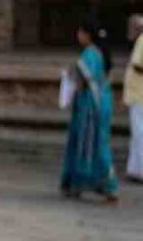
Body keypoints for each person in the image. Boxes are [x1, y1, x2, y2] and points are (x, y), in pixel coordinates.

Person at [60, 22, 119, 203]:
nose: (78, 35)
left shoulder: (90, 54)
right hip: (99, 103)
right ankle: (76, 183)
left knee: (93, 144)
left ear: (87, 35)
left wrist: (69, 76)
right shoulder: (101, 54)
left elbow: (84, 79)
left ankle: (108, 186)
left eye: (80, 32)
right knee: (88, 143)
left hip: (91, 106)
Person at [125, 15, 143, 184]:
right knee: (136, 133)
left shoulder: (141, 41)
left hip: (139, 93)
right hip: (138, 94)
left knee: (139, 133)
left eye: (131, 28)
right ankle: (134, 170)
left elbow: (138, 64)